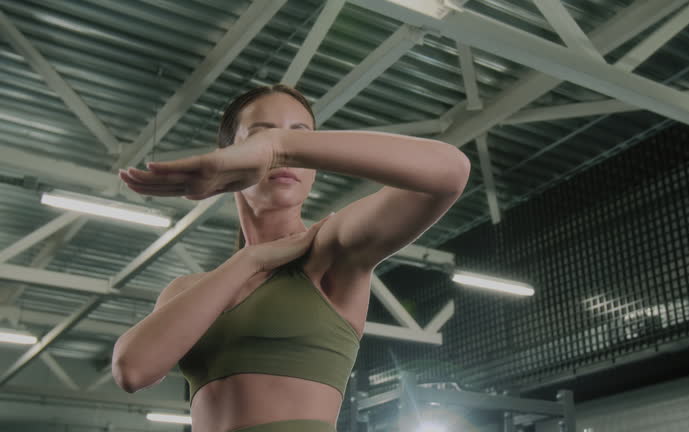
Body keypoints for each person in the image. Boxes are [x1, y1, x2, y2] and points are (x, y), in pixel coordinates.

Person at [111, 84, 470, 432]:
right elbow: (132, 370)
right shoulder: (188, 289)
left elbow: (450, 172)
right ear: (227, 156)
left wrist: (279, 147)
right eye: (259, 136)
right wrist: (249, 261)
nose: (277, 152)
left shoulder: (330, 250)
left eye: (300, 137)